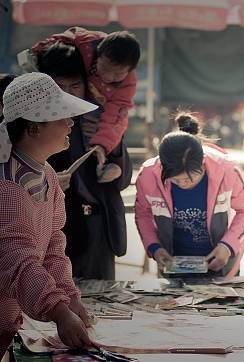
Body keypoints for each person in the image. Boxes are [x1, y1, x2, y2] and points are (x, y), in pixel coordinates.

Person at [0, 73, 96, 357]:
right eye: (61, 116)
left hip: (10, 319)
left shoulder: (47, 175)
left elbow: (54, 243)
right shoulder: (7, 184)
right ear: (33, 129)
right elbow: (16, 258)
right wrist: (58, 312)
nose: (71, 123)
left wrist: (69, 298)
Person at [36, 41, 132, 280]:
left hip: (101, 229)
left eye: (75, 86)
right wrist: (48, 182)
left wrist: (115, 170)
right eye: (60, 87)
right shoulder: (36, 127)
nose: (69, 95)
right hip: (60, 232)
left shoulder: (103, 120)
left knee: (104, 303)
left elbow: (124, 177)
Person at [135, 112, 244, 277]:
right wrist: (154, 247)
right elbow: (142, 214)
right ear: (162, 168)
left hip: (221, 262)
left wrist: (228, 245)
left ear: (203, 162)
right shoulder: (148, 175)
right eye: (176, 180)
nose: (184, 183)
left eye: (189, 178)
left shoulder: (227, 170)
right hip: (172, 265)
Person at [31, 27, 140, 183]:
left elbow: (115, 116)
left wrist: (102, 146)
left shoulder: (120, 91)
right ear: (96, 56)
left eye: (75, 86)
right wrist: (40, 49)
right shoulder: (87, 45)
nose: (108, 77)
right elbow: (70, 35)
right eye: (60, 87)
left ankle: (105, 163)